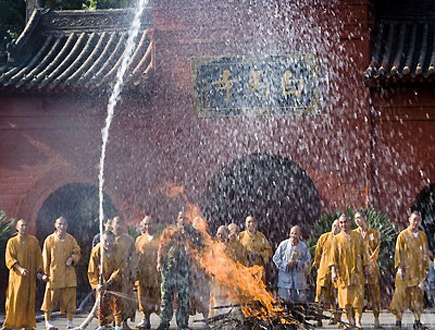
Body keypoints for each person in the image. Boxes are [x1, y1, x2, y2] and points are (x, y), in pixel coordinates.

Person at [156, 211, 203, 330]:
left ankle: (182, 323)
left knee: (183, 298)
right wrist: (159, 262)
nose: (183, 220)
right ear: (177, 220)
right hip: (169, 269)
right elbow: (162, 247)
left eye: (185, 218)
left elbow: (199, 248)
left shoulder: (193, 233)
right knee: (166, 296)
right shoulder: (170, 231)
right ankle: (164, 322)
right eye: (181, 218)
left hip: (183, 269)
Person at [389, 211, 430, 330]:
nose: (416, 222)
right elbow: (398, 252)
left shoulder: (422, 235)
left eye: (418, 220)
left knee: (417, 297)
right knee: (400, 296)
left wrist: (426, 268)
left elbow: (425, 253)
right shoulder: (402, 235)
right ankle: (398, 322)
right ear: (409, 219)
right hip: (405, 272)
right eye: (414, 220)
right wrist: (400, 268)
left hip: (418, 271)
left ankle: (417, 322)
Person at [2, 219, 44, 330]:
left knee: (29, 300)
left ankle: (28, 324)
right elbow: (9, 259)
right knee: (15, 300)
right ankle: (12, 324)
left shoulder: (33, 241)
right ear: (17, 227)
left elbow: (39, 258)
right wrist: (20, 269)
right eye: (22, 226)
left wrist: (39, 271)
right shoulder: (12, 242)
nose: (24, 228)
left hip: (30, 278)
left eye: (26, 225)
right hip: (17, 278)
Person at [41, 216, 81, 330]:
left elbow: (77, 252)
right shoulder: (49, 240)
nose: (62, 227)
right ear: (55, 225)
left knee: (70, 298)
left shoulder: (71, 239)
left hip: (68, 274)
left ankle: (69, 322)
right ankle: (47, 322)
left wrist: (72, 258)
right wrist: (45, 273)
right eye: (59, 224)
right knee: (50, 298)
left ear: (67, 225)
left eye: (64, 224)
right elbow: (45, 257)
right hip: (54, 274)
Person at [330, 214, 368, 329]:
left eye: (345, 222)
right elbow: (333, 257)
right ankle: (349, 320)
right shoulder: (337, 239)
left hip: (356, 272)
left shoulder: (357, 236)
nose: (343, 225)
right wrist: (333, 271)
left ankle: (358, 320)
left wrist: (366, 267)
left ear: (350, 222)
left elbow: (363, 253)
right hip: (343, 273)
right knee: (345, 299)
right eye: (341, 223)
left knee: (358, 298)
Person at [88, 231, 124, 330]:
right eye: (106, 241)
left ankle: (117, 325)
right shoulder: (97, 250)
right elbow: (92, 270)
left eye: (111, 241)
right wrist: (96, 285)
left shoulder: (118, 249)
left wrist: (110, 281)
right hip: (101, 282)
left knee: (116, 303)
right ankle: (102, 324)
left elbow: (120, 268)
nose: (108, 243)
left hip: (115, 281)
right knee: (101, 302)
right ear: (101, 241)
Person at [354, 210, 382, 328]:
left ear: (365, 218)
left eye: (359, 218)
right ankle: (358, 320)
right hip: (358, 268)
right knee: (358, 294)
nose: (357, 221)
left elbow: (377, 249)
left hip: (371, 268)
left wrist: (370, 263)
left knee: (374, 293)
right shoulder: (354, 234)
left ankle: (376, 319)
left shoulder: (374, 233)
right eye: (355, 219)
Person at [313, 219, 341, 326]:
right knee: (319, 297)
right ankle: (318, 319)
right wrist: (318, 268)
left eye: (338, 226)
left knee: (336, 297)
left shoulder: (342, 240)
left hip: (337, 274)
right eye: (334, 225)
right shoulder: (324, 238)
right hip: (324, 272)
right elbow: (317, 255)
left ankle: (336, 318)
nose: (335, 228)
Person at [135, 215, 161, 329]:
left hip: (156, 274)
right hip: (143, 274)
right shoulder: (139, 239)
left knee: (158, 298)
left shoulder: (161, 239)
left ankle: (163, 320)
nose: (148, 226)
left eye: (150, 224)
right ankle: (145, 319)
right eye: (146, 224)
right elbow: (136, 256)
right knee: (142, 297)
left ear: (155, 225)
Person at [273, 225, 310, 303]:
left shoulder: (303, 247)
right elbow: (276, 258)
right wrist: (286, 265)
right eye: (292, 233)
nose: (294, 236)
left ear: (300, 235)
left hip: (299, 283)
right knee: (284, 306)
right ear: (289, 234)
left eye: (296, 234)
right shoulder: (283, 245)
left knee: (300, 307)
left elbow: (308, 261)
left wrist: (298, 264)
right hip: (284, 283)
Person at [112, 216, 138, 329]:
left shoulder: (129, 239)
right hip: (110, 276)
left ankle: (124, 321)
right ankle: (110, 321)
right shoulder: (106, 238)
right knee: (111, 299)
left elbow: (133, 257)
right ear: (112, 224)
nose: (118, 226)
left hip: (125, 275)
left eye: (120, 223)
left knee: (126, 299)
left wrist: (133, 271)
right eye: (116, 223)